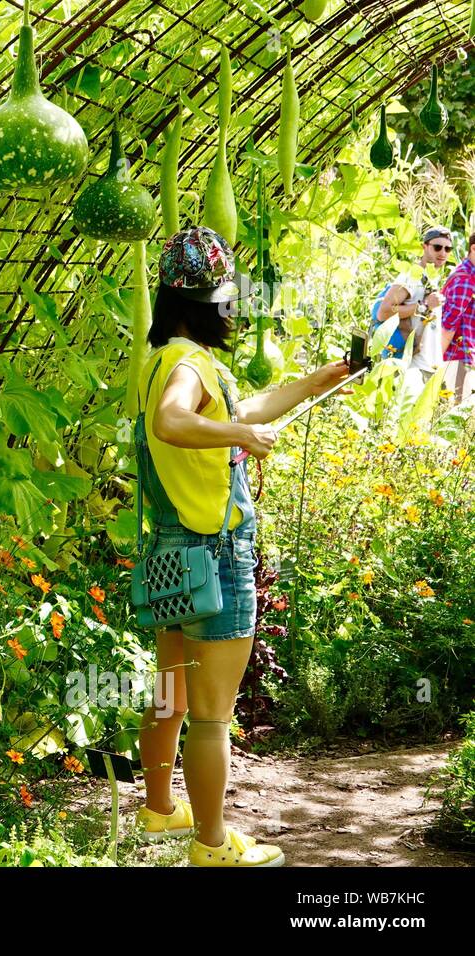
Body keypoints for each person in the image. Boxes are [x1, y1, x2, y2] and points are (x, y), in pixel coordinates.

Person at [133, 226, 353, 867]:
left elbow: (237, 406)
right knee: (210, 716)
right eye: (227, 301)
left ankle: (157, 808)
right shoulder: (189, 365)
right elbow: (174, 421)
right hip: (217, 552)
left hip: (170, 547)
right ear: (204, 304)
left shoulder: (161, 358)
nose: (235, 310)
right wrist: (241, 437)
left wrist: (315, 381)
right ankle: (210, 846)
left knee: (170, 692)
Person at [375, 226, 452, 378]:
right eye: (437, 247)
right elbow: (383, 312)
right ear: (424, 247)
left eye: (448, 249)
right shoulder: (411, 276)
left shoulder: (433, 278)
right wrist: (424, 306)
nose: (443, 253)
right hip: (410, 366)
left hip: (428, 365)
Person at [440, 231, 475, 404]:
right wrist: (436, 358)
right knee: (456, 413)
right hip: (458, 355)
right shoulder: (466, 279)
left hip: (464, 355)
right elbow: (449, 322)